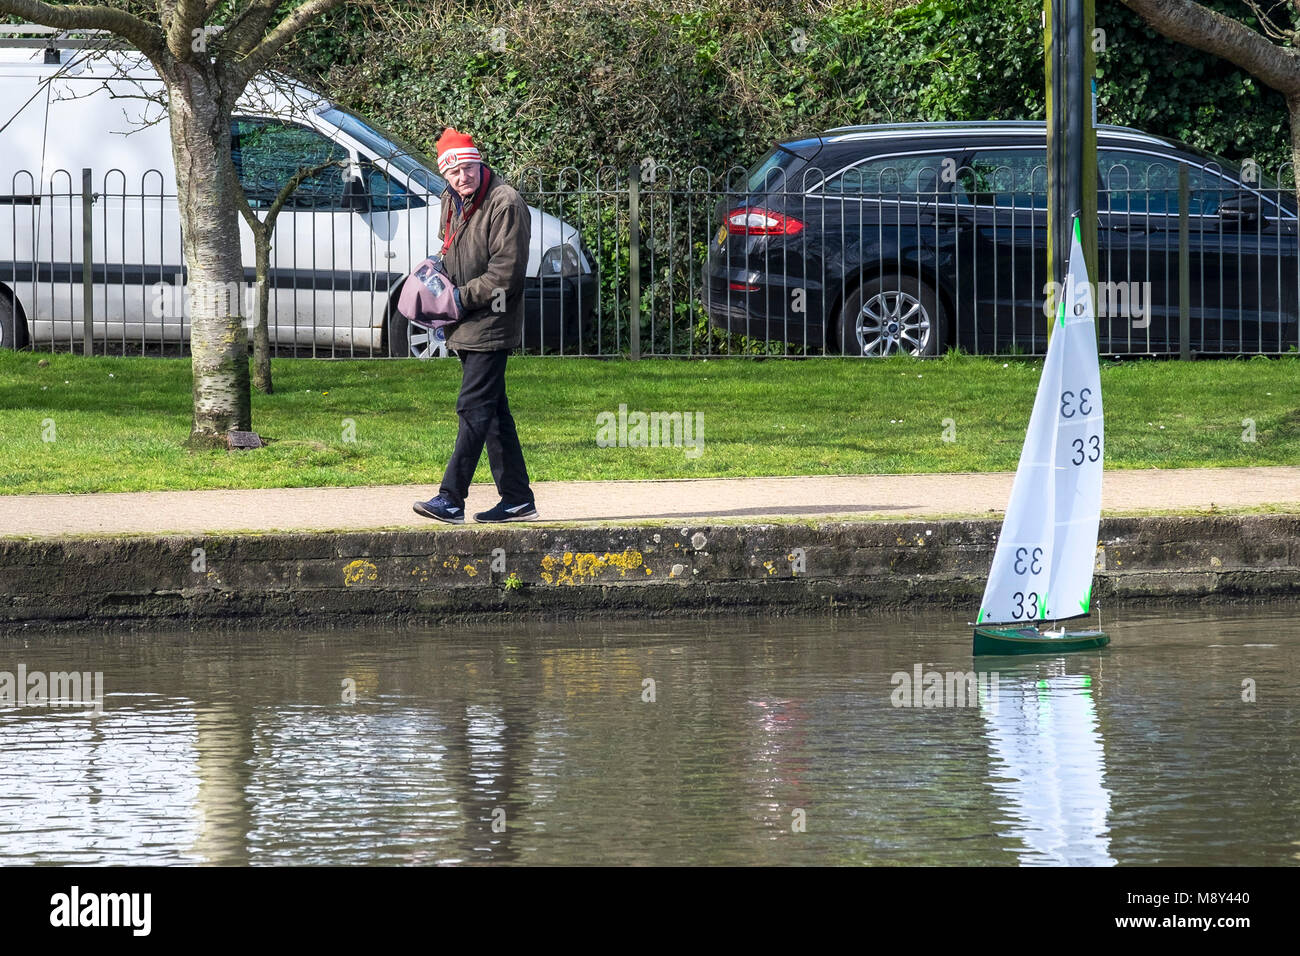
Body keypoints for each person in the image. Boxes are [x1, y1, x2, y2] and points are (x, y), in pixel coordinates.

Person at [413, 128, 538, 524]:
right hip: (461, 321)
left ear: (479, 162)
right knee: (493, 413)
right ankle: (517, 498)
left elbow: (506, 274)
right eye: (453, 173)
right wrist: (435, 278)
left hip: (492, 321)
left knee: (472, 408)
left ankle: (451, 498)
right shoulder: (450, 199)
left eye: (467, 168)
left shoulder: (506, 203)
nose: (461, 177)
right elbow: (449, 249)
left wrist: (460, 297)